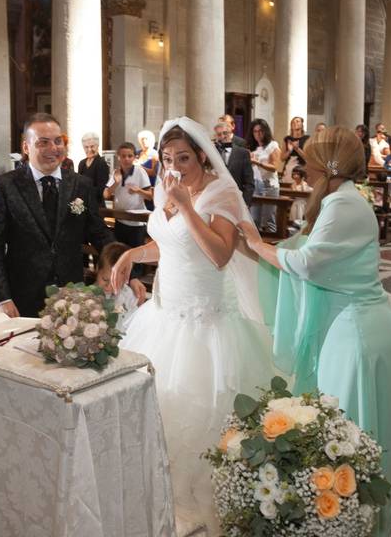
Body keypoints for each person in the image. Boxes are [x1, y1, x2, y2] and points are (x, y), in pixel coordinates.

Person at [111, 117, 276, 533]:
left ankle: (208, 500)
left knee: (204, 412)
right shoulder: (167, 186)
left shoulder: (219, 192)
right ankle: (163, 495)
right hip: (165, 317)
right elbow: (169, 245)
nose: (175, 166)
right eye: (167, 158)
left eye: (183, 157)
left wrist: (185, 205)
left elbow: (219, 254)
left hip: (208, 325)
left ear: (202, 155)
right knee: (160, 408)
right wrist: (131, 256)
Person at [239, 126, 391, 537]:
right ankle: (349, 520)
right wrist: (263, 246)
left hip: (357, 334)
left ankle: (353, 523)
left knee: (348, 431)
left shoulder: (344, 205)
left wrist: (258, 246)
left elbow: (309, 262)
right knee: (349, 428)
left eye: (310, 161)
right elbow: (303, 249)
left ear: (328, 167)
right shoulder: (341, 201)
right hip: (352, 326)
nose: (303, 168)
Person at [0, 112, 144, 318]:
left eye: (58, 141)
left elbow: (100, 234)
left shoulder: (80, 185)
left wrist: (130, 274)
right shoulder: (5, 186)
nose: (53, 148)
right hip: (23, 294)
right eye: (43, 142)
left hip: (71, 293)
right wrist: (2, 298)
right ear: (25, 147)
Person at [104, 142, 153, 251]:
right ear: (118, 157)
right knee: (120, 254)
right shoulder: (116, 172)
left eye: (130, 156)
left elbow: (150, 196)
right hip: (120, 220)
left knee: (136, 256)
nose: (126, 159)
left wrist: (138, 190)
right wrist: (116, 183)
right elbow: (106, 194)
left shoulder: (140, 171)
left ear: (134, 157)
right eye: (123, 156)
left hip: (137, 223)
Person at [94, 241, 141, 333]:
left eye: (115, 283)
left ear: (126, 278)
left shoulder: (129, 297)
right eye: (105, 279)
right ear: (97, 269)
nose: (108, 287)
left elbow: (134, 324)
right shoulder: (87, 295)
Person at [249, 118, 282, 233]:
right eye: (255, 131)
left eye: (261, 131)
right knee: (254, 220)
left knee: (268, 221)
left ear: (265, 131)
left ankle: (271, 248)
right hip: (255, 184)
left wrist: (258, 163)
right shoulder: (253, 148)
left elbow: (275, 167)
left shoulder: (273, 145)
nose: (258, 134)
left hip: (269, 185)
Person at [214, 120, 254, 206]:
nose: (223, 136)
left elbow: (249, 182)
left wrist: (245, 203)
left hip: (237, 199)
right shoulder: (213, 154)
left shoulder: (242, 153)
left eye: (225, 133)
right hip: (217, 199)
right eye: (219, 134)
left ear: (230, 133)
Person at [77, 132, 110, 201]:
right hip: (84, 203)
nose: (89, 149)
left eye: (92, 146)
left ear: (97, 146)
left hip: (96, 204)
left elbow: (101, 189)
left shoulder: (101, 163)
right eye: (86, 147)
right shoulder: (82, 163)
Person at [281, 115, 309, 181]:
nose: (295, 123)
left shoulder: (307, 138)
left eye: (298, 121)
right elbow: (282, 158)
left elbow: (308, 157)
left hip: (301, 169)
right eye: (293, 122)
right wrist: (289, 151)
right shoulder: (287, 139)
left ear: (302, 124)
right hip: (288, 169)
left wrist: (297, 148)